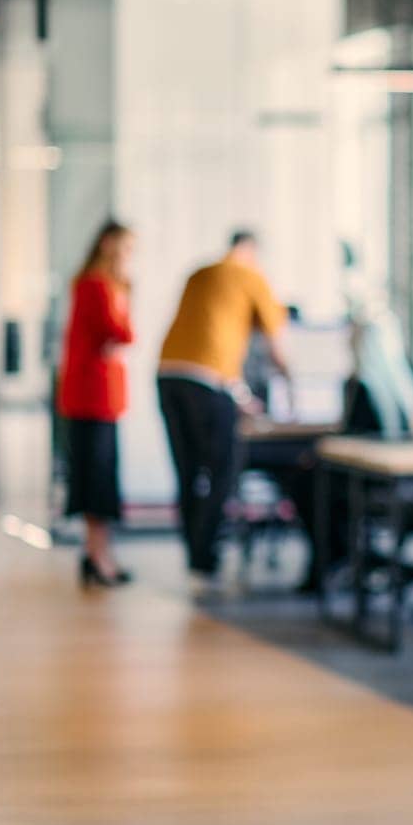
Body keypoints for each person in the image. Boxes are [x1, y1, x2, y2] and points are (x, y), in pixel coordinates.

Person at [157, 230, 291, 586]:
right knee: (223, 466)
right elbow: (276, 344)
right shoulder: (251, 276)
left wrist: (238, 390)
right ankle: (205, 555)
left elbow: (205, 333)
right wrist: (294, 382)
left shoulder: (199, 273)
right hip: (209, 380)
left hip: (168, 374)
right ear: (252, 251)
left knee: (188, 470)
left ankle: (193, 552)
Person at [57, 220, 137, 588]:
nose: (129, 257)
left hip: (100, 397)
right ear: (107, 244)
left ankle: (99, 555)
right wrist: (125, 299)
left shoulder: (98, 285)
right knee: (96, 479)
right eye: (125, 248)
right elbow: (120, 332)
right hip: (93, 397)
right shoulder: (95, 285)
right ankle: (97, 555)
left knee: (100, 478)